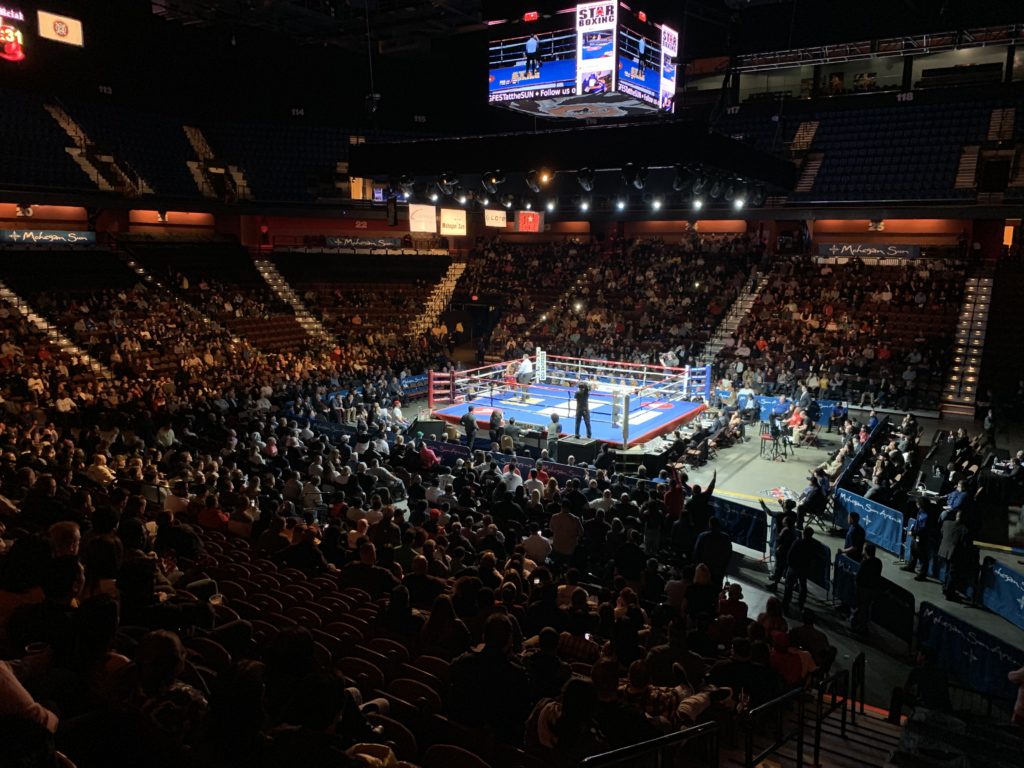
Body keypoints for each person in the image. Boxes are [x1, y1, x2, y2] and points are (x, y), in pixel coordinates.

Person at [782, 526, 817, 612]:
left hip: (794, 568)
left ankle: (786, 604)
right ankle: (801, 604)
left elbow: (790, 554)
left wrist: (789, 565)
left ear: (803, 533)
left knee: (789, 587)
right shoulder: (813, 545)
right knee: (803, 586)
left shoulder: (797, 542)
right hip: (804, 568)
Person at [693, 517, 732, 591]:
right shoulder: (726, 538)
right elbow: (729, 554)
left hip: (704, 569)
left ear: (710, 524)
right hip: (718, 570)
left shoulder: (703, 536)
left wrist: (698, 565)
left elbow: (696, 552)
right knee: (715, 591)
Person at [851, 543, 882, 635]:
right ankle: (862, 625)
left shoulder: (865, 563)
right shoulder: (878, 562)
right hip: (873, 589)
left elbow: (858, 576)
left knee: (862, 609)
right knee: (866, 608)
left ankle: (862, 628)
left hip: (864, 589)